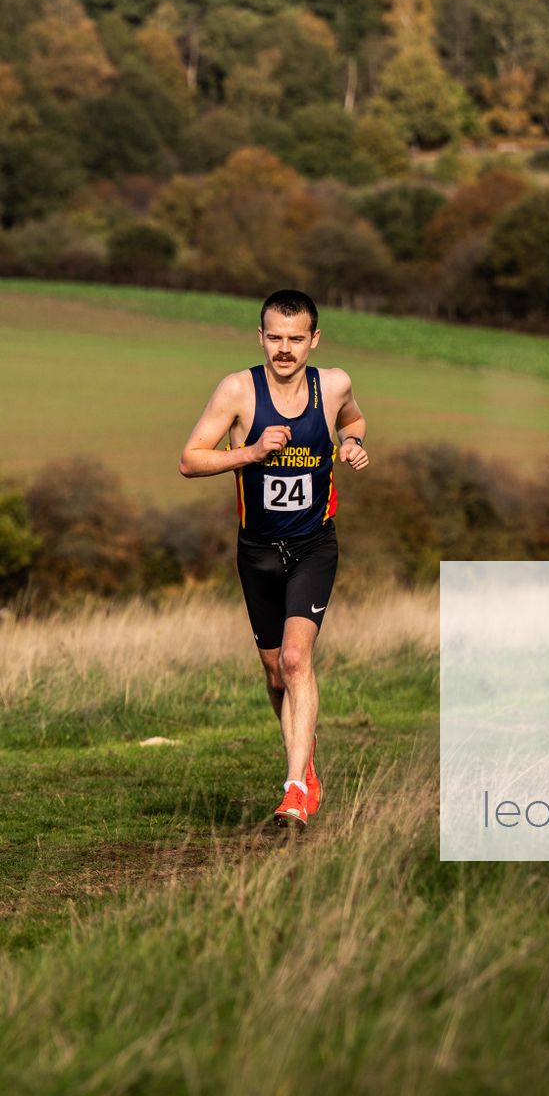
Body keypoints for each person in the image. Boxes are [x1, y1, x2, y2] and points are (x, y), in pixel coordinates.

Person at [175, 289, 368, 825]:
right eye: (275, 338)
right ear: (260, 337)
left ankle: (294, 789)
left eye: (296, 339)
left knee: (296, 660)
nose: (285, 349)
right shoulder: (238, 391)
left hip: (314, 546)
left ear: (314, 339)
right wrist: (253, 452)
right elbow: (190, 460)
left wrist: (353, 443)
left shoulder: (334, 385)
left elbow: (353, 421)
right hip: (257, 551)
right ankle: (306, 763)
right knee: (276, 675)